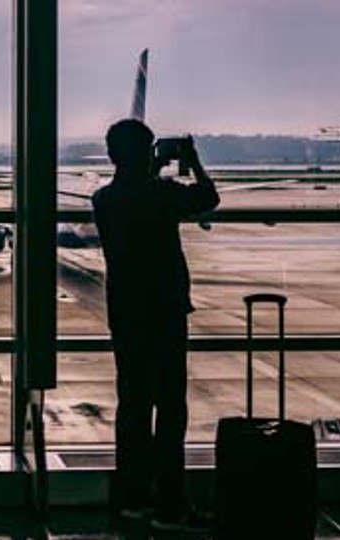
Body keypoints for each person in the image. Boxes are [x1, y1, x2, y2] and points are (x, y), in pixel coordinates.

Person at [91, 118, 220, 531]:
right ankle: (170, 503)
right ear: (148, 154)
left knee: (132, 407)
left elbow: (133, 191)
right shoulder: (163, 194)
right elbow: (208, 198)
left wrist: (149, 164)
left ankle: (131, 499)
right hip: (165, 312)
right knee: (169, 410)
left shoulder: (104, 199)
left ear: (111, 155)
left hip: (126, 314)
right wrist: (192, 160)